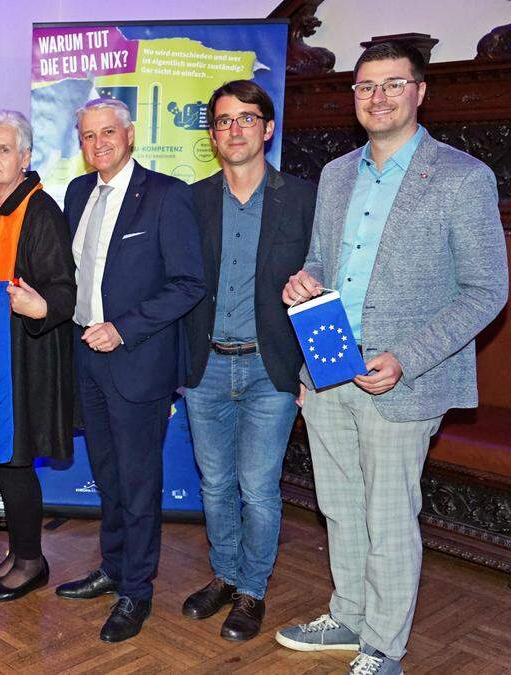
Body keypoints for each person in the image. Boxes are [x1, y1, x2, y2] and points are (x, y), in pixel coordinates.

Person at [277, 42, 507, 675]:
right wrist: (305, 278)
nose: (377, 97)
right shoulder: (337, 174)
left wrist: (408, 357)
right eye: (365, 87)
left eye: (392, 84)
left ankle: (384, 647)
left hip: (401, 380)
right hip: (327, 372)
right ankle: (348, 618)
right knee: (340, 507)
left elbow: (487, 290)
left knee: (387, 515)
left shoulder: (463, 177)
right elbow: (324, 262)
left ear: (420, 92)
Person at [55, 98, 204, 643]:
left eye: (108, 132)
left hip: (137, 360)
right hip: (86, 360)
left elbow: (189, 283)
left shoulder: (166, 195)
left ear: (131, 134)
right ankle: (113, 567)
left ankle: (137, 591)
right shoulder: (77, 194)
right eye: (89, 136)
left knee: (140, 485)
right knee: (109, 476)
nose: (99, 144)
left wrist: (124, 327)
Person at [179, 80, 316, 642]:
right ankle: (225, 575)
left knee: (258, 487)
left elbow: (327, 285)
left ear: (268, 127)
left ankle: (252, 590)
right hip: (204, 367)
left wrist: (311, 368)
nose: (234, 129)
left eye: (246, 118)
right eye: (223, 121)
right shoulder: (191, 200)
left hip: (271, 368)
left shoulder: (305, 200)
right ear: (213, 135)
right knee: (214, 486)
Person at [0, 110, 75, 602]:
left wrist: (40, 304)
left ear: (25, 157)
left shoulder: (40, 210)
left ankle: (32, 561)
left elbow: (64, 291)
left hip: (26, 356)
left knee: (16, 460)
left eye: (3, 149)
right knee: (8, 462)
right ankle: (18, 552)